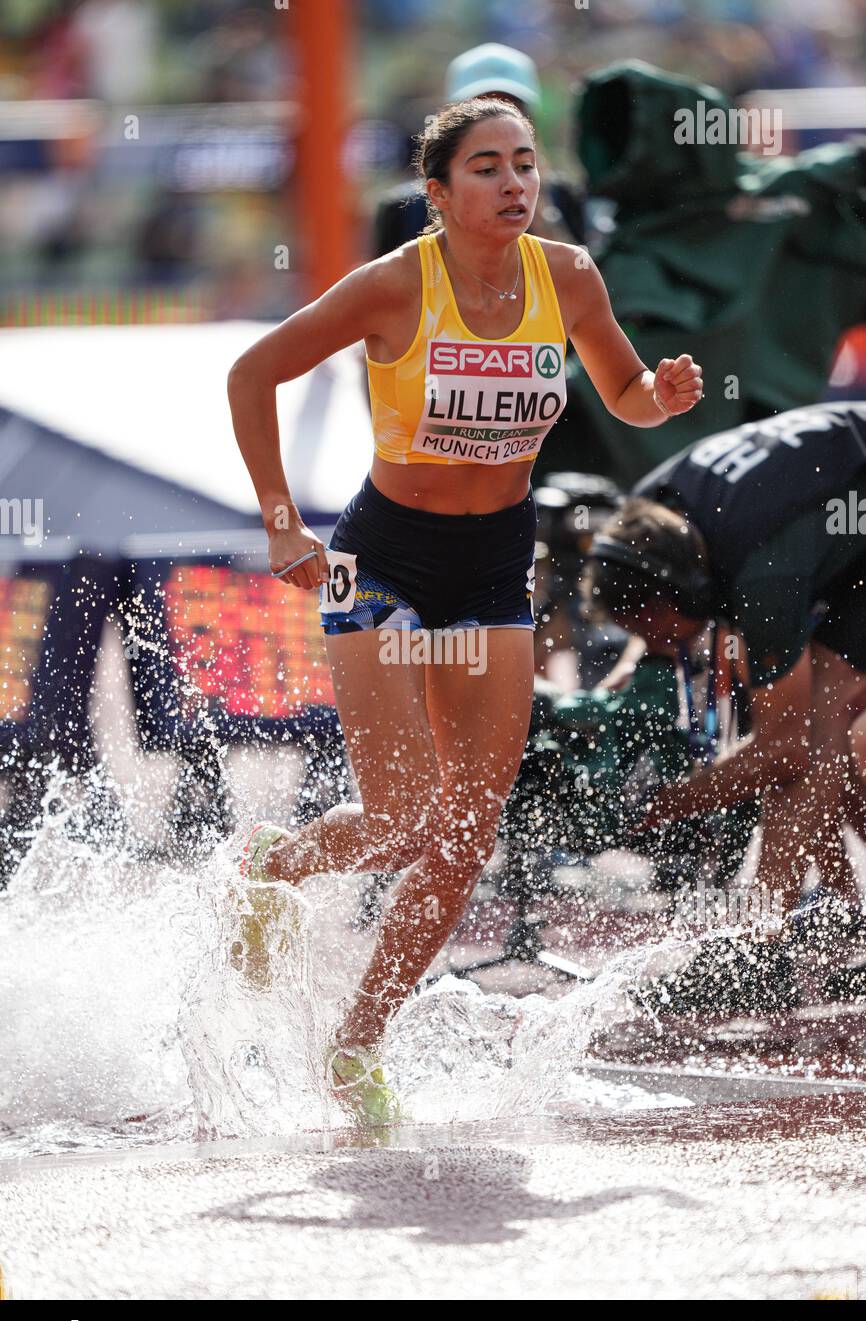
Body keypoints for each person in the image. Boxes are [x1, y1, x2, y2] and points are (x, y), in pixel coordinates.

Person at [226, 96, 702, 1124]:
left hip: (493, 564)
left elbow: (618, 390)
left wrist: (654, 395)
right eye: (485, 167)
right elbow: (251, 371)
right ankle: (273, 865)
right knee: (395, 816)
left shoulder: (566, 276)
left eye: (525, 163)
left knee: (460, 833)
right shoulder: (394, 285)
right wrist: (279, 523)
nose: (514, 183)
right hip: (379, 558)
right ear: (436, 195)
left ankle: (356, 1045)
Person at [581, 402, 866, 937]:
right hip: (835, 495)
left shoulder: (761, 577)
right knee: (812, 742)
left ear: (688, 590)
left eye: (658, 631)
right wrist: (628, 664)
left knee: (819, 716)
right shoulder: (648, 512)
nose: (657, 646)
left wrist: (658, 808)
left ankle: (761, 944)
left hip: (838, 506)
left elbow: (786, 748)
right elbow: (652, 594)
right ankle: (846, 914)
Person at [371, 44, 585, 259]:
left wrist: (542, 212)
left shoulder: (563, 196)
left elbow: (581, 280)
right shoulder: (406, 209)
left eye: (510, 110)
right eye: (480, 111)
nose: (497, 123)